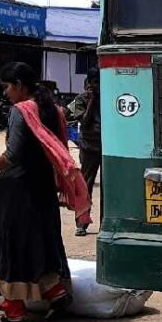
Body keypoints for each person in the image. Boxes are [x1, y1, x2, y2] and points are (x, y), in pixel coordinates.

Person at [0, 62, 89, 322]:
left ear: (19, 85)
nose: (5, 93)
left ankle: (14, 311)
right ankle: (55, 292)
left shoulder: (20, 111)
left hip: (17, 188)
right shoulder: (54, 110)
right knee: (39, 239)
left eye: (7, 87)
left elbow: (13, 153)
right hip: (43, 186)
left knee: (9, 243)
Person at [66, 68, 101, 236]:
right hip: (88, 146)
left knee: (108, 187)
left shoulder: (108, 97)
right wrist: (92, 101)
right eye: (95, 83)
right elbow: (84, 122)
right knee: (85, 184)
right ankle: (82, 222)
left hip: (106, 146)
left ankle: (105, 223)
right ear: (89, 84)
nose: (97, 86)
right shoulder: (81, 100)